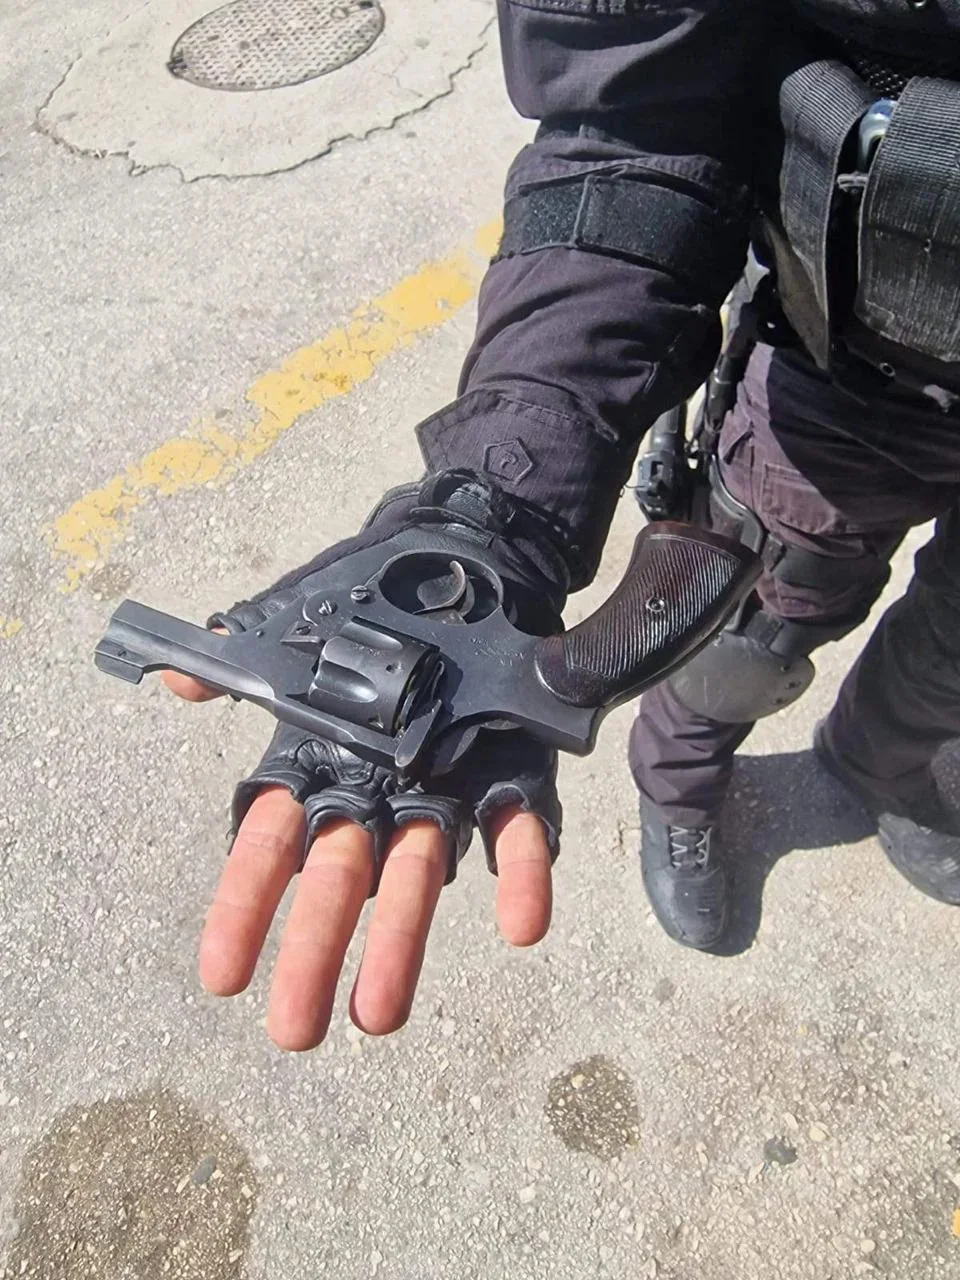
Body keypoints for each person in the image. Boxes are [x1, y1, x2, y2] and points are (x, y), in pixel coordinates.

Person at [165, 0, 960, 1048]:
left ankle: (886, 764)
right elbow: (628, 132)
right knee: (748, 642)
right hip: (847, 386)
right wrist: (495, 513)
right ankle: (680, 795)